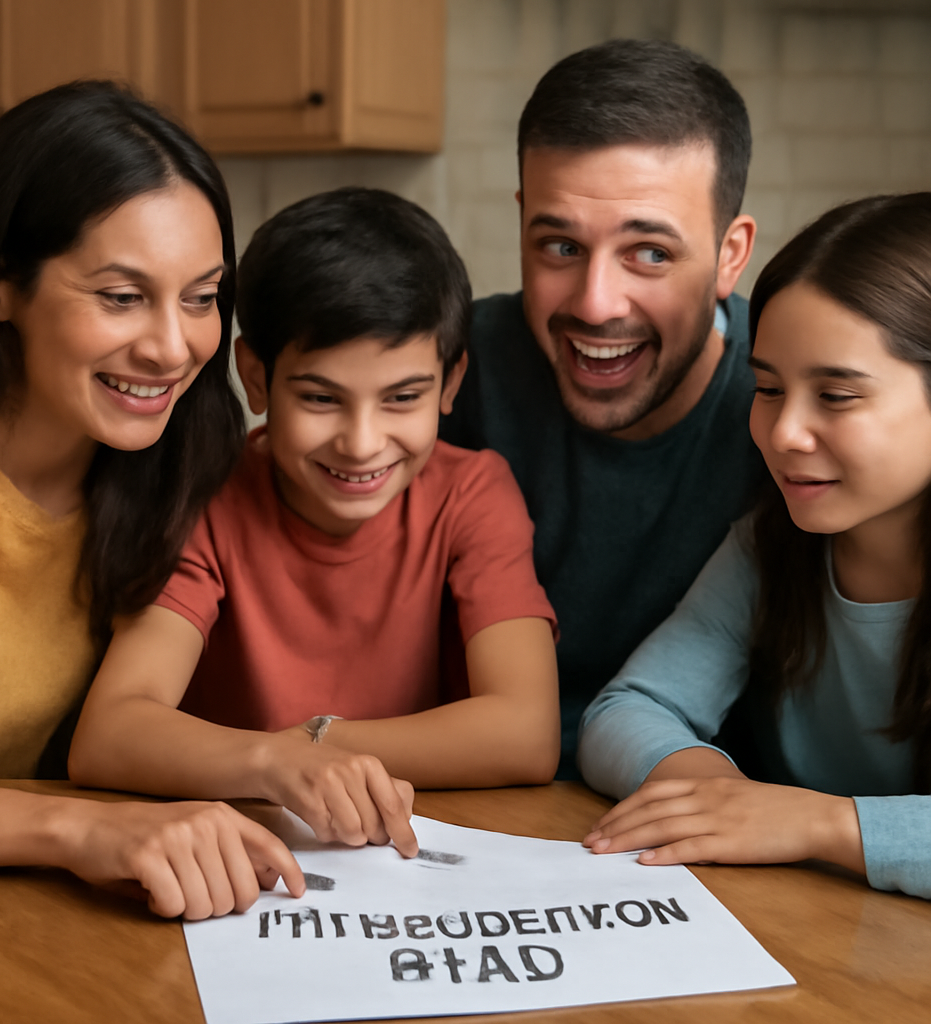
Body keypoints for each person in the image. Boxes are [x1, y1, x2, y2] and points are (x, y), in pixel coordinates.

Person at [0, 81, 304, 919]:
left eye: (202, 298)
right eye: (122, 297)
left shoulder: (175, 473)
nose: (172, 347)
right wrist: (74, 830)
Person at [69, 187, 560, 850]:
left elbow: (527, 734)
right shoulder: (206, 497)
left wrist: (316, 742)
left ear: (449, 384)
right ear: (256, 377)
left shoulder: (473, 493)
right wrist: (273, 763)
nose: (361, 443)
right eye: (321, 399)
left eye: (402, 398)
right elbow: (109, 733)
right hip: (247, 855)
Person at [579, 193, 931, 900]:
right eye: (768, 388)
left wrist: (821, 825)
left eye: (836, 396)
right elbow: (627, 708)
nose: (783, 433)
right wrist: (712, 794)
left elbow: (806, 826)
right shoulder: (768, 548)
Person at [441, 39, 764, 777]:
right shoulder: (447, 371)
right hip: (461, 799)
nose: (594, 304)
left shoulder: (787, 412)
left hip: (702, 810)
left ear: (730, 254)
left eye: (650, 253)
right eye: (560, 246)